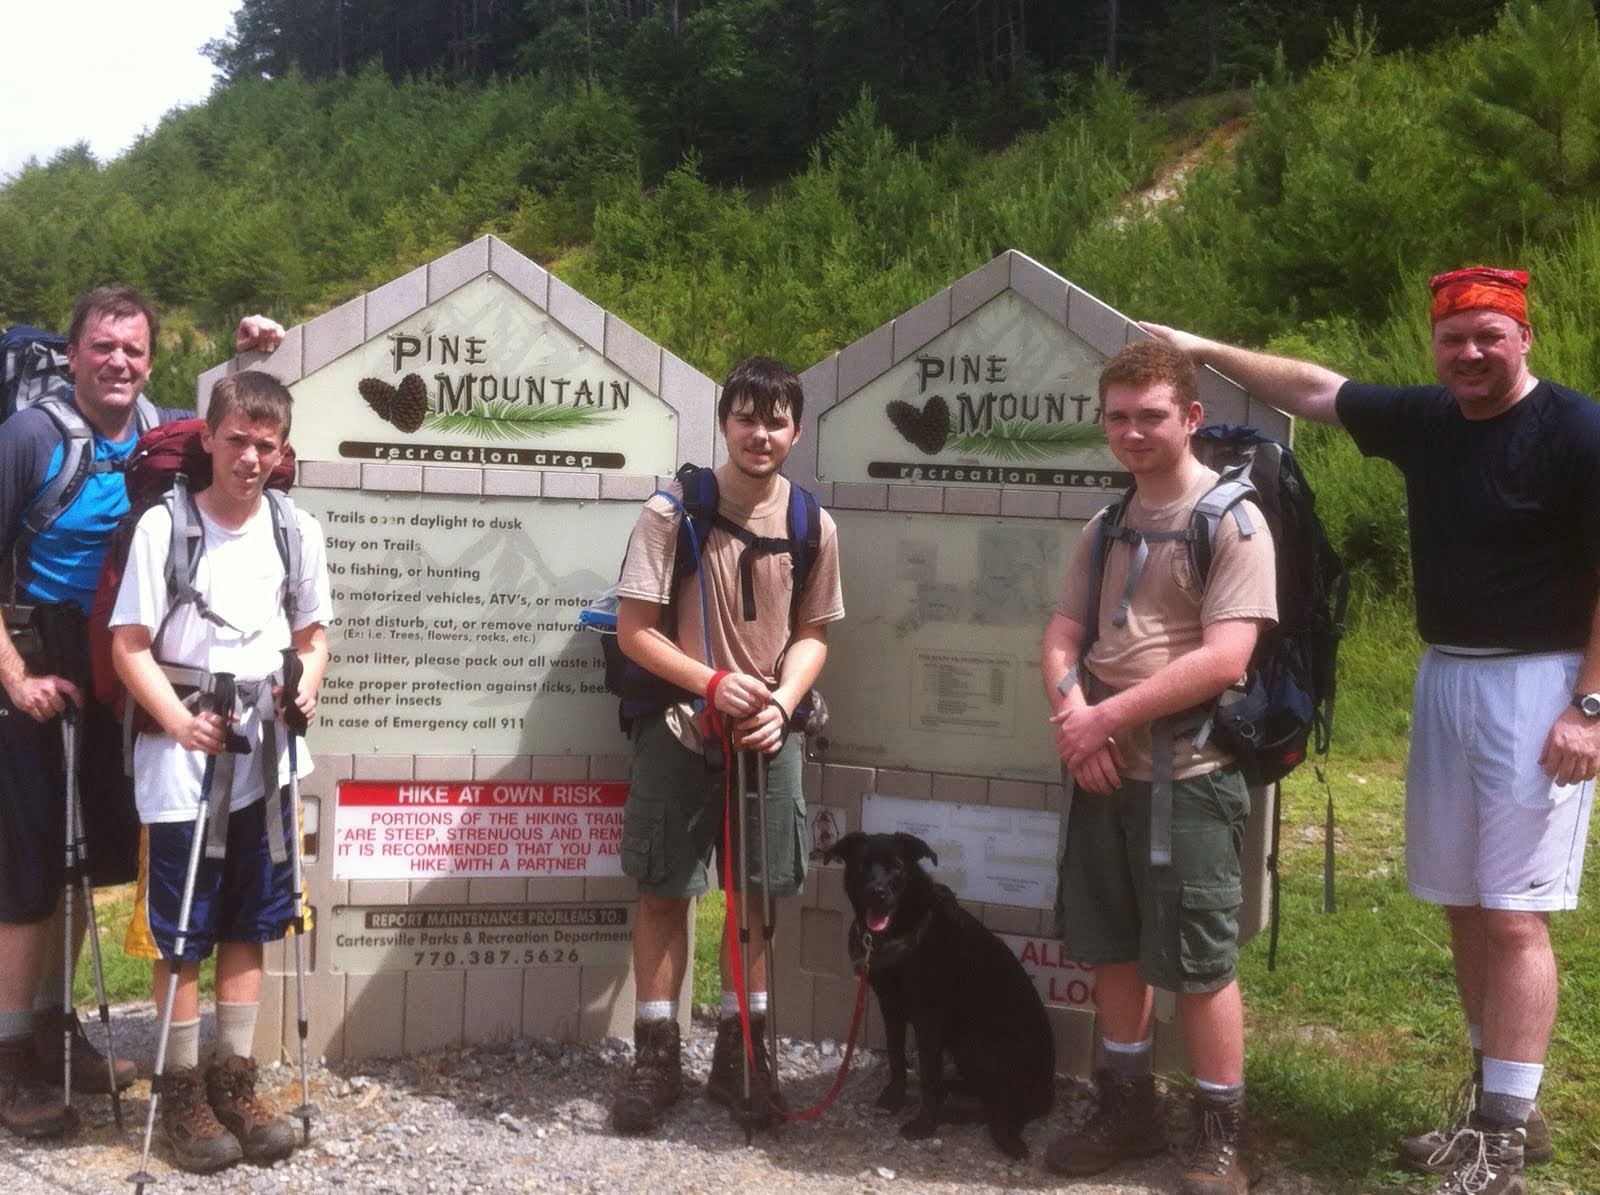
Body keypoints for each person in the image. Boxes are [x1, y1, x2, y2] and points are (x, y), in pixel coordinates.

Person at [1146, 264, 1599, 1195]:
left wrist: (1591, 705)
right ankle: (1495, 1103)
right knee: (1464, 901)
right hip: (1448, 673)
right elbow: (1313, 388)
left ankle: (1501, 1146)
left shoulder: (1577, 431)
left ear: (1524, 338)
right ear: (1435, 347)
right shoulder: (1429, 419)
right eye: (1453, 338)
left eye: (1489, 335)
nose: (1470, 353)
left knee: (1514, 913)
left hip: (1541, 680)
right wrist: (1194, 349)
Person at [0, 288, 283, 1137]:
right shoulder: (31, 437)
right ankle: (11, 1060)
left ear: (150, 360)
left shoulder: (155, 425)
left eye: (132, 349)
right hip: (38, 660)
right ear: (73, 353)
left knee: (82, 861)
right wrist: (14, 677)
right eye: (102, 347)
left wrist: (242, 364)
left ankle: (56, 1031)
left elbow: (234, 438)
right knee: (26, 873)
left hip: (117, 668)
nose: (117, 362)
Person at [1040, 340, 1276, 1195]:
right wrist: (1078, 721)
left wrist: (1101, 717)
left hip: (1193, 776)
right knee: (1111, 945)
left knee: (1202, 961)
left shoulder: (1233, 521)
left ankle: (1220, 1138)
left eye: (1151, 415)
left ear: (1191, 418)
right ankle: (1128, 1104)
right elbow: (1066, 631)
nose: (1133, 431)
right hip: (1103, 771)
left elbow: (1225, 659)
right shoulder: (1105, 525)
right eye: (1118, 416)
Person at [608, 356, 843, 1135]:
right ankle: (656, 1053)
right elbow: (636, 632)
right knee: (663, 888)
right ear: (724, 422)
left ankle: (745, 1054)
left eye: (776, 420)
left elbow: (812, 636)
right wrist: (710, 683)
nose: (761, 434)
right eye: (747, 417)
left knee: (755, 899)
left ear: (796, 430)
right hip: (681, 731)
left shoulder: (812, 523)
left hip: (768, 735)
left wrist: (783, 699)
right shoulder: (670, 514)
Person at [110, 370, 330, 1172]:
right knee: (181, 928)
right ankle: (181, 1091)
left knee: (250, 918)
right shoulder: (164, 529)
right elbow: (128, 643)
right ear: (206, 437)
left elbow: (312, 635)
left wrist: (306, 684)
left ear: (283, 450)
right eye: (236, 439)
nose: (249, 457)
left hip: (265, 759)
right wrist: (176, 719)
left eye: (265, 445)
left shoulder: (294, 528)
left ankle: (235, 1082)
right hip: (181, 755)